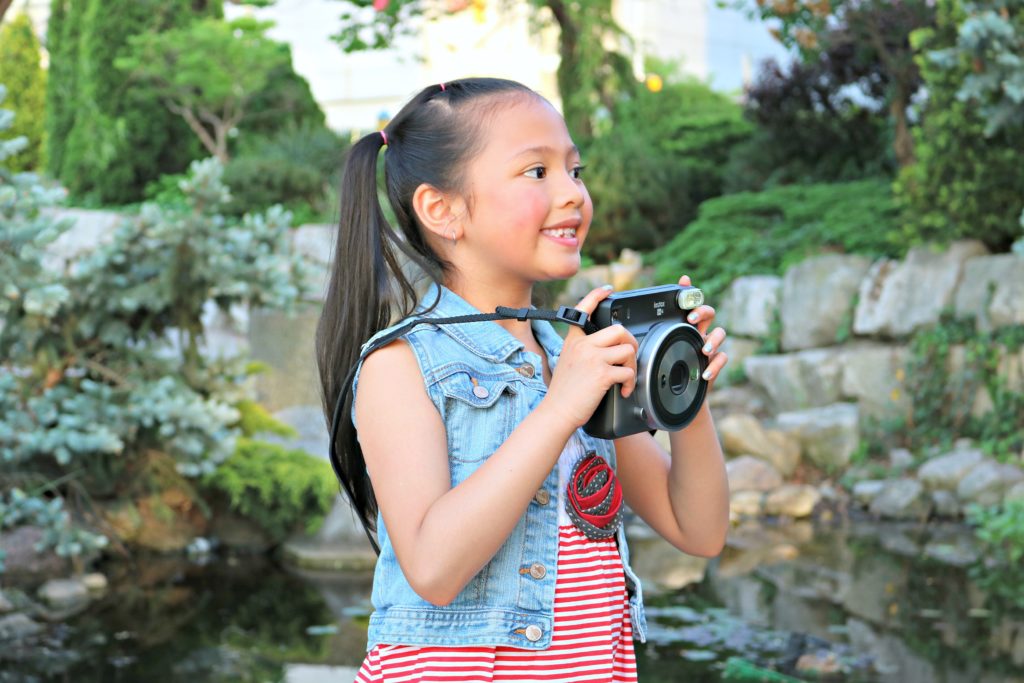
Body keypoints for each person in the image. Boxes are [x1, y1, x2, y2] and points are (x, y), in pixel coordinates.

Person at [315, 77, 730, 682]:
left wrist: (684, 391)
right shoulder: (403, 365)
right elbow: (433, 567)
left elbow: (699, 528)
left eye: (575, 170)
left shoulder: (576, 358)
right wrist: (561, 408)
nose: (572, 193)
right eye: (537, 173)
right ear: (443, 210)